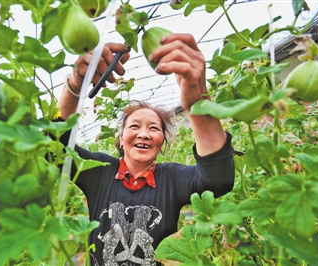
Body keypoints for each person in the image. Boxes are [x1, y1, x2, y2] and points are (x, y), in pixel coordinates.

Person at [56, 34, 235, 266]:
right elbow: (55, 149)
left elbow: (218, 181)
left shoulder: (171, 177)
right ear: (121, 139)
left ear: (161, 143)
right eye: (134, 126)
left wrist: (197, 104)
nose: (143, 133)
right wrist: (75, 83)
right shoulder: (98, 171)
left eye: (153, 128)